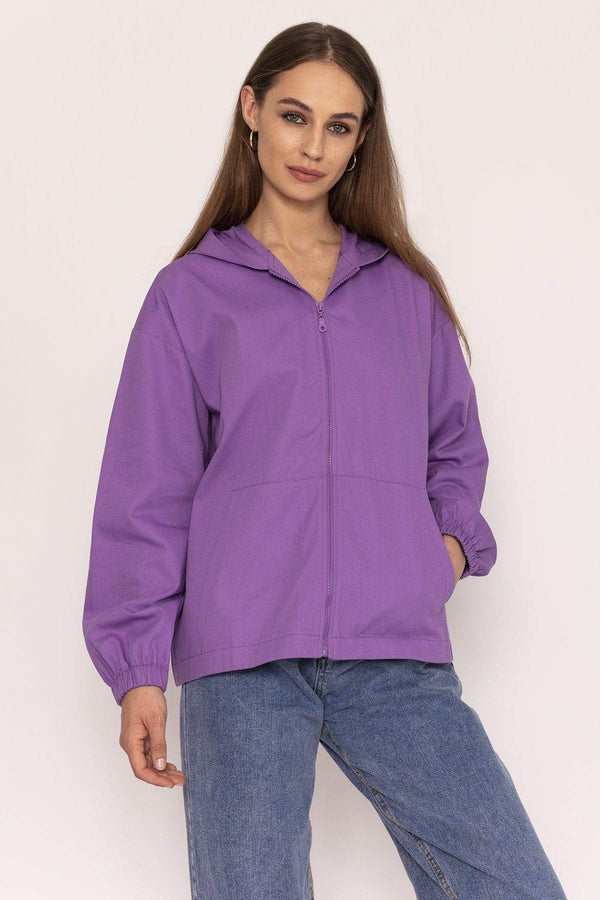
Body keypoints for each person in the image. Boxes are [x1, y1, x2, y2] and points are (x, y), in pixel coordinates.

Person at [82, 21, 567, 900]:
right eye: (295, 116)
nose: (313, 146)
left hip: (392, 649)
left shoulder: (404, 292)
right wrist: (137, 669)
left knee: (513, 884)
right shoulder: (190, 294)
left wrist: (441, 555)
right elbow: (146, 490)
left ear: (360, 139)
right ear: (252, 110)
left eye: (338, 126)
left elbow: (455, 449)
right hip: (241, 658)